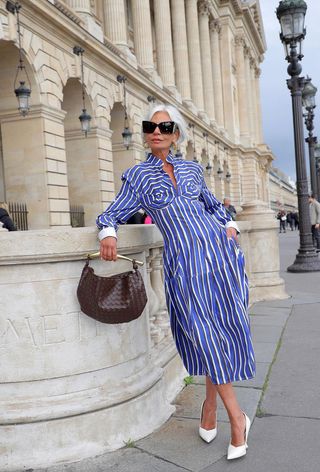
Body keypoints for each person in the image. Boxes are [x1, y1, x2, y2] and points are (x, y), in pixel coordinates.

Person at [97, 104, 255, 460]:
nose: (157, 132)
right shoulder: (137, 176)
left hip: (220, 259)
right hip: (184, 265)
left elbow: (215, 207)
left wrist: (230, 227)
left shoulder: (193, 169)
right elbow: (112, 212)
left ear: (176, 134)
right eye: (150, 127)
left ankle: (212, 408)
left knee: (220, 331)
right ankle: (237, 417)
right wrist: (108, 233)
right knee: (202, 335)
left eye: (165, 127)